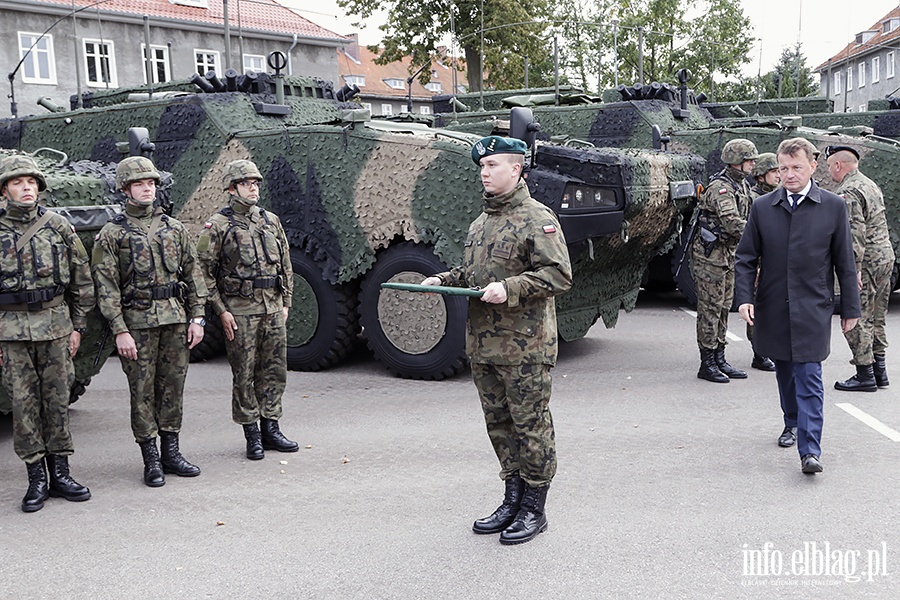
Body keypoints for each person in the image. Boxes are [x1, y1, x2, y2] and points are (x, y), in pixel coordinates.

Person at [421, 136, 572, 545]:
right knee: (500, 426)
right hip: (484, 345)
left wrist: (511, 288)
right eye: (482, 166)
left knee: (531, 426)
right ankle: (512, 497)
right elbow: (475, 273)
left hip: (524, 348)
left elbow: (559, 274)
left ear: (516, 169)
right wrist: (444, 279)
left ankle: (534, 508)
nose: (484, 173)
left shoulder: (536, 217)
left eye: (492, 165)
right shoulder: (481, 222)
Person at [735, 137, 860, 474]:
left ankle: (810, 450)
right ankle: (791, 421)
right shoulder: (763, 207)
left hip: (813, 307)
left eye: (796, 168)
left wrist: (851, 308)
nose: (789, 174)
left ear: (812, 167)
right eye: (784, 168)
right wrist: (745, 298)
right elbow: (746, 258)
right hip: (773, 305)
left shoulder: (833, 206)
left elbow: (844, 261)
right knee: (785, 371)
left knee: (809, 375)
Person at [92, 156, 207, 487]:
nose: (147, 189)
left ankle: (172, 453)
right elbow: (106, 286)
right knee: (142, 391)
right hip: (137, 323)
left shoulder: (175, 228)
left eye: (152, 184)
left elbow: (192, 273)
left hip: (174, 318)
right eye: (140, 184)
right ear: (125, 189)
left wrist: (197, 316)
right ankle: (151, 459)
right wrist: (120, 330)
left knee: (173, 387)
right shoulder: (112, 234)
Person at [0, 154, 95, 512]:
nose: (25, 188)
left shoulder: (58, 226)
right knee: (23, 407)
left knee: (57, 401)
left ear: (39, 187)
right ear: (5, 189)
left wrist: (79, 326)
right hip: (11, 332)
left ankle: (62, 474)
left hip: (56, 327)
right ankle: (36, 480)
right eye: (17, 183)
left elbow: (81, 280)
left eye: (31, 183)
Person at [195, 159, 297, 460]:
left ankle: (272, 428)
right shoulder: (218, 226)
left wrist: (286, 301)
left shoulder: (270, 220)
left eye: (256, 183)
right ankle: (252, 433)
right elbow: (204, 273)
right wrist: (221, 310)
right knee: (245, 374)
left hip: (272, 306)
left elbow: (286, 263)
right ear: (232, 188)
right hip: (240, 310)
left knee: (274, 370)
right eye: (246, 183)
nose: (253, 188)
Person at [826, 145, 894, 392]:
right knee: (877, 315)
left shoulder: (848, 191)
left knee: (856, 315)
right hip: (884, 257)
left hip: (865, 262)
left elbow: (854, 233)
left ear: (837, 165)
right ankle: (880, 371)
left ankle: (864, 373)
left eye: (829, 166)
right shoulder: (869, 183)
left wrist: (851, 271)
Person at [691, 139, 757, 383]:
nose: (752, 164)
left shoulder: (741, 186)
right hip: (712, 256)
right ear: (737, 162)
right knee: (710, 308)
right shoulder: (722, 188)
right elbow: (731, 221)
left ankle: (719, 357)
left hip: (727, 254)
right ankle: (706, 362)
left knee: (723, 307)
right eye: (749, 159)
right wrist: (760, 235)